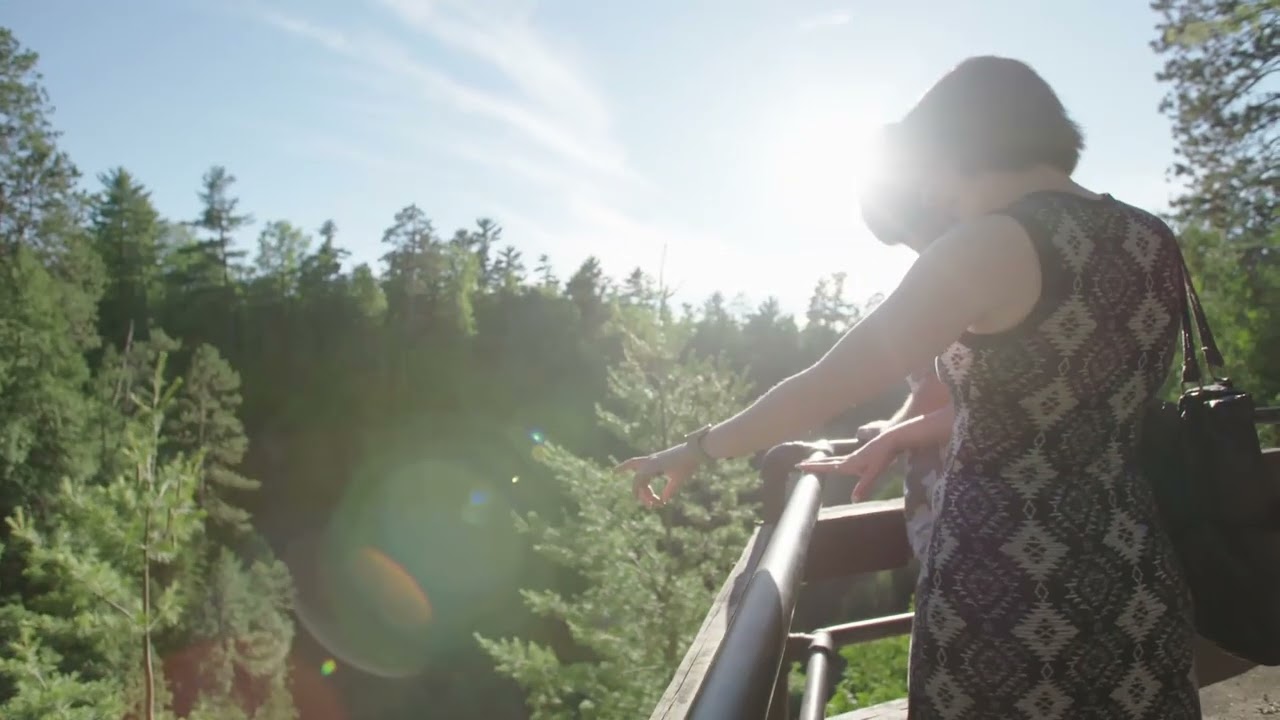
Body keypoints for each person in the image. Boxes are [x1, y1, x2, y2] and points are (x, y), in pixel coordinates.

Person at [618, 56, 1199, 718]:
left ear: (963, 145)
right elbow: (1060, 402)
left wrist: (701, 445)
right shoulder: (1153, 236)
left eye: (934, 171)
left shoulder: (992, 243)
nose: (934, 196)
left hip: (1006, 576)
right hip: (1134, 561)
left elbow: (824, 386)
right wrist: (901, 432)